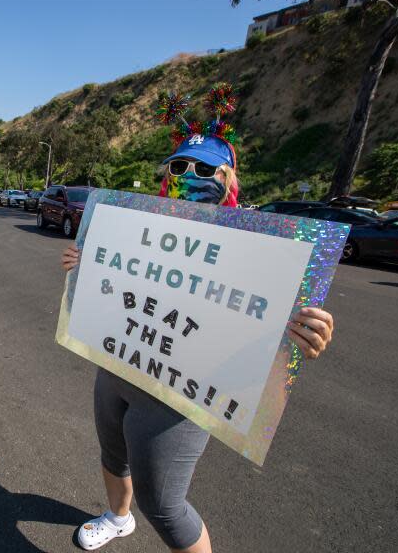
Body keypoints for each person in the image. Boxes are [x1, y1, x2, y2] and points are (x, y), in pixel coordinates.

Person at [62, 132, 336, 553]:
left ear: (227, 179)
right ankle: (117, 518)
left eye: (205, 169)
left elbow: (268, 310)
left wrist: (306, 332)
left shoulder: (260, 242)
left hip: (180, 396)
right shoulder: (136, 225)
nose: (190, 176)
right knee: (112, 454)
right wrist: (83, 263)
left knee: (165, 506)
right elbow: (109, 283)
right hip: (117, 367)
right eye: (179, 166)